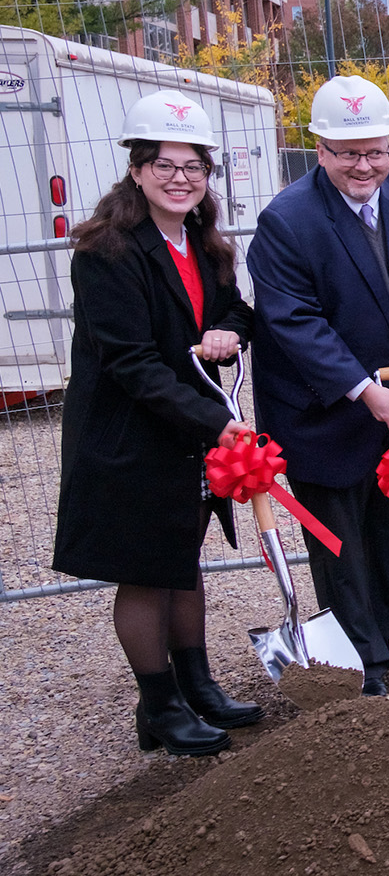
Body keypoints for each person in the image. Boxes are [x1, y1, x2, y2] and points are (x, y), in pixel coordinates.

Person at [53, 90, 256, 756]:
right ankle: (159, 704)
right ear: (136, 170)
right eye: (164, 164)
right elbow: (132, 364)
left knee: (181, 560)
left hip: (185, 438)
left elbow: (235, 312)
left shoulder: (202, 245)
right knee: (145, 571)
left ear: (206, 176)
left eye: (193, 165)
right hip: (131, 440)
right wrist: (214, 422)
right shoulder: (108, 252)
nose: (180, 177)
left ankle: (198, 688)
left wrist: (226, 330)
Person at [248, 76, 389, 697]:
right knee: (343, 546)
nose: (365, 166)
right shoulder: (287, 221)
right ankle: (366, 663)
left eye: (377, 151)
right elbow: (294, 321)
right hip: (323, 412)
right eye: (348, 153)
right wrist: (361, 387)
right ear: (320, 150)